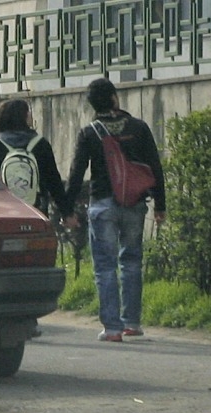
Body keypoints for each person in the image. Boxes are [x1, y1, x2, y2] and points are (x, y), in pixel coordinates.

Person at [64, 78, 166, 342]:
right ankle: (132, 322)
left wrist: (67, 210)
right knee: (131, 262)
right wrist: (160, 205)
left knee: (105, 266)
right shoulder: (139, 128)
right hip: (134, 204)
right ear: (113, 98)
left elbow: (76, 173)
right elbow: (154, 167)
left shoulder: (90, 132)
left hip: (102, 205)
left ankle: (112, 328)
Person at [0, 98, 74, 219]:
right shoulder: (40, 144)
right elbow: (53, 181)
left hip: (5, 211)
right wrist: (67, 213)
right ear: (25, 116)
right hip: (36, 210)